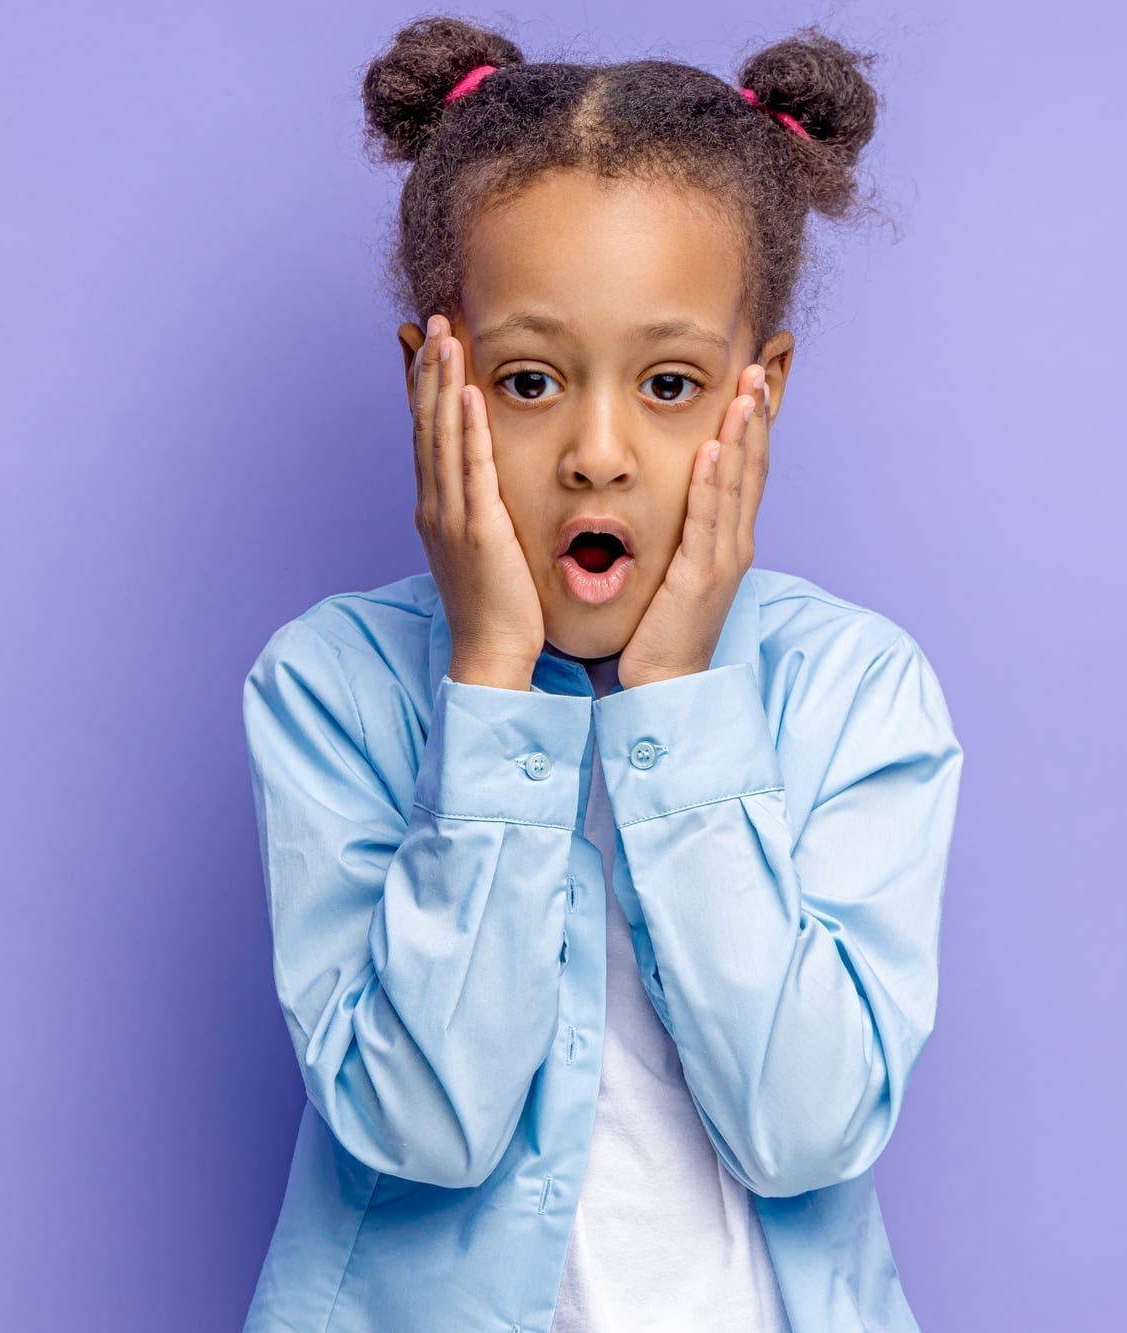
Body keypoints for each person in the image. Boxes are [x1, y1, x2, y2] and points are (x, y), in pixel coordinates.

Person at [238, 16, 965, 1333]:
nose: (597, 451)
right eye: (528, 379)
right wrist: (491, 690)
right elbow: (424, 1126)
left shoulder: (857, 690)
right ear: (430, 380)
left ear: (763, 392)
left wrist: (679, 699)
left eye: (673, 382)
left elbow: (810, 1130)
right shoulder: (330, 687)